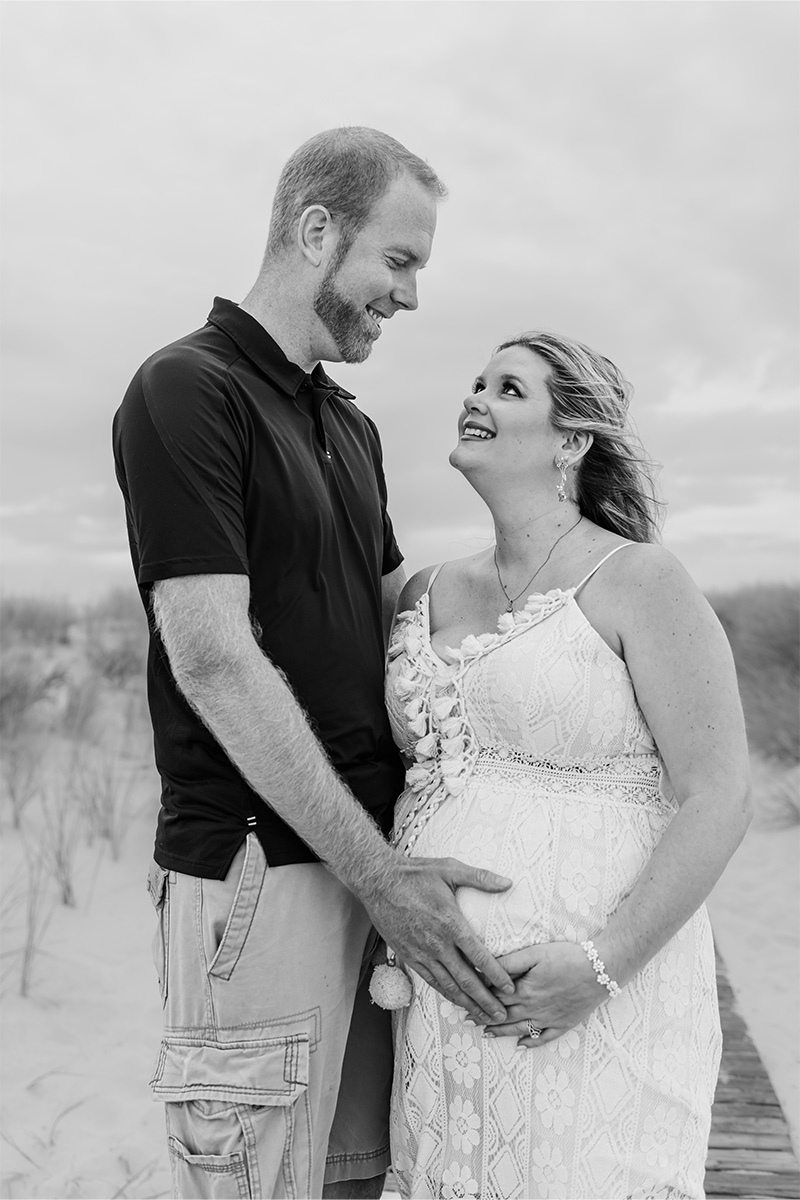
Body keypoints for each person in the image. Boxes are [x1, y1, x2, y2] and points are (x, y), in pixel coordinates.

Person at [112, 127, 516, 1200]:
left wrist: (544, 575)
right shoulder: (184, 391)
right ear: (315, 230)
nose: (410, 296)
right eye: (400, 261)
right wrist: (379, 878)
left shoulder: (348, 423)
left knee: (348, 1184)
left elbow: (382, 616)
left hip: (367, 869)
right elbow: (213, 661)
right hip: (260, 874)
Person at [384, 331, 752, 1199]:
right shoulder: (422, 591)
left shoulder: (640, 580)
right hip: (442, 1000)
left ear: (573, 440)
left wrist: (599, 968)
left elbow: (720, 795)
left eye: (508, 388)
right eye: (475, 382)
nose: (475, 397)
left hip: (595, 996)